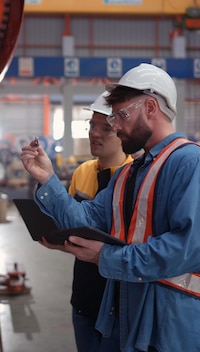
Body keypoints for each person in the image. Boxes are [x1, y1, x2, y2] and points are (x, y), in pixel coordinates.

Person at [21, 63, 200, 351]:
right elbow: (85, 219)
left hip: (170, 323)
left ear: (151, 108)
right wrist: (48, 178)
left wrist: (107, 257)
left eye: (121, 115)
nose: (115, 126)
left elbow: (189, 248)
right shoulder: (128, 175)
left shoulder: (192, 166)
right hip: (126, 314)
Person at [40, 91, 132, 352]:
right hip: (83, 292)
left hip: (114, 296)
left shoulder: (132, 178)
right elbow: (70, 223)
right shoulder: (83, 172)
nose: (95, 133)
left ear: (122, 133)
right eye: (92, 126)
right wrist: (59, 240)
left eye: (106, 128)